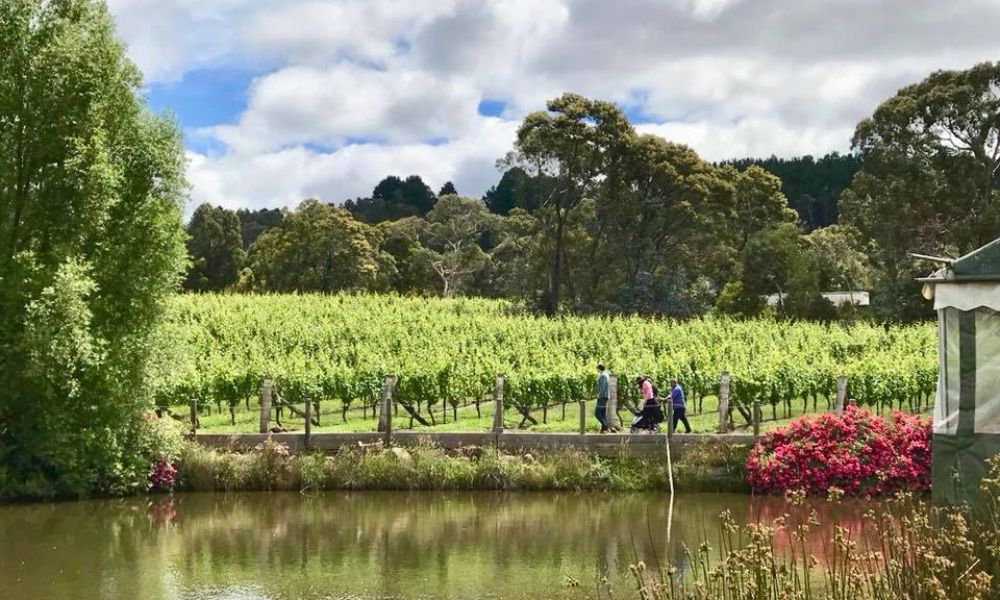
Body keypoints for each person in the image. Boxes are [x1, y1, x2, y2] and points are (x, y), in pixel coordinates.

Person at [595, 363, 610, 433]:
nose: (596, 369)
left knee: (597, 413)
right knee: (602, 413)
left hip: (602, 396)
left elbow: (603, 387)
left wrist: (599, 395)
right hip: (605, 396)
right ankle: (603, 429)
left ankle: (605, 426)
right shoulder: (605, 374)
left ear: (599, 368)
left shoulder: (603, 375)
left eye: (597, 368)